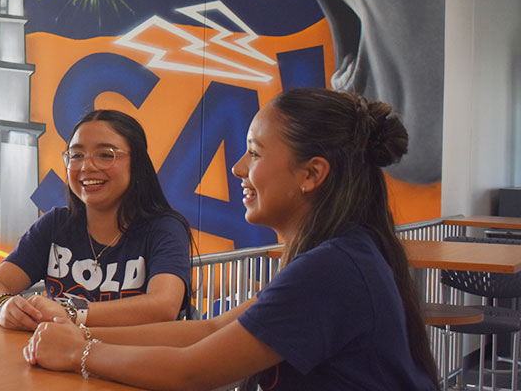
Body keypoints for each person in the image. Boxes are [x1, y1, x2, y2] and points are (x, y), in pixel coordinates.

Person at [22, 88, 438, 390]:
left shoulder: (332, 267)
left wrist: (81, 352)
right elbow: (212, 329)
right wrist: (77, 332)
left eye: (254, 153)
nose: (238, 168)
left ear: (312, 174)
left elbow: (193, 371)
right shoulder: (339, 253)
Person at [0, 110, 193, 330]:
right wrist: (2, 306)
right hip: (60, 359)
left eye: (106, 155)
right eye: (76, 155)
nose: (87, 167)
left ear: (137, 164)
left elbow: (163, 307)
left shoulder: (165, 228)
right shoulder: (55, 225)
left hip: (135, 361)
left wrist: (72, 313)